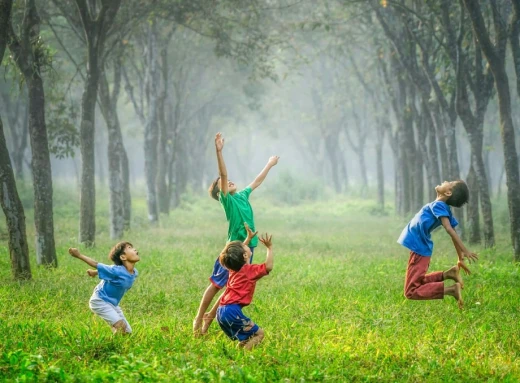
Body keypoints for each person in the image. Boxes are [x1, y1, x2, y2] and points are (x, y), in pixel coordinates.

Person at [193, 132, 279, 336]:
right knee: (216, 284)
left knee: (233, 285)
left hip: (248, 247)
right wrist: (219, 151)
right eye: (222, 183)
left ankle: (208, 321)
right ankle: (199, 318)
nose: (229, 181)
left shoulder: (241, 195)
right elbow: (223, 175)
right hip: (233, 249)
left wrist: (269, 164)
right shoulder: (227, 200)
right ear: (219, 192)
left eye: (229, 181)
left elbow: (256, 181)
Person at [397, 180, 478, 309]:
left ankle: (451, 290)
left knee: (410, 291)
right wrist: (460, 257)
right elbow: (453, 230)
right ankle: (448, 274)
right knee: (417, 282)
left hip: (419, 249)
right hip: (419, 248)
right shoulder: (442, 207)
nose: (445, 181)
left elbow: (450, 229)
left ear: (448, 192)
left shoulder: (439, 205)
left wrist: (465, 250)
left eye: (449, 182)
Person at [217, 232, 273, 350]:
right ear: (245, 256)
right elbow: (268, 266)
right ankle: (245, 357)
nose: (246, 245)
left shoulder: (233, 269)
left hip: (221, 311)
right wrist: (269, 248)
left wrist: (248, 239)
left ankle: (238, 353)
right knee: (259, 334)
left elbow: (236, 254)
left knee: (247, 337)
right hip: (232, 311)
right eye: (244, 246)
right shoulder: (249, 271)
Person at [68, 242, 140, 334]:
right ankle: (111, 346)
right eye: (129, 248)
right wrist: (79, 255)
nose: (134, 249)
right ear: (123, 257)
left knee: (127, 332)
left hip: (113, 304)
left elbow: (108, 271)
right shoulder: (116, 270)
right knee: (121, 327)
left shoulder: (134, 272)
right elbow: (96, 264)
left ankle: (116, 342)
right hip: (100, 301)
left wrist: (94, 272)